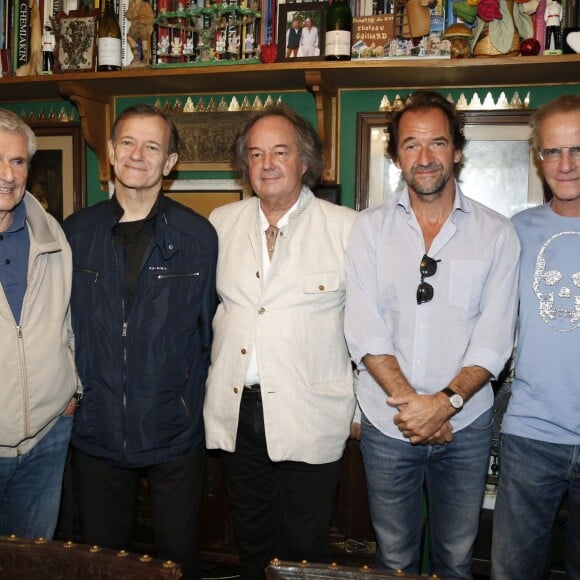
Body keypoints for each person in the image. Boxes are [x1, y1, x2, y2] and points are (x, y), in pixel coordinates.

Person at [344, 91, 520, 578]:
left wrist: (444, 404)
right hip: (388, 423)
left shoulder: (497, 233)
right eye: (411, 145)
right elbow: (363, 328)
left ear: (457, 151)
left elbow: (496, 338)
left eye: (437, 143)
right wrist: (413, 406)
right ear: (396, 155)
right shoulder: (369, 229)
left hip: (464, 428)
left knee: (457, 560)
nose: (425, 158)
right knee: (394, 558)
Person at [63, 104, 218, 580]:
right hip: (96, 430)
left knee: (177, 565)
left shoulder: (198, 236)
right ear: (109, 152)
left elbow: (210, 333)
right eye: (128, 142)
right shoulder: (75, 233)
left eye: (153, 146)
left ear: (169, 163)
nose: (138, 155)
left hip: (174, 433)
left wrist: (190, 405)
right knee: (102, 566)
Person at [204, 103, 357, 580]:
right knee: (252, 541)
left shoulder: (347, 228)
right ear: (245, 166)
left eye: (280, 152)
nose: (267, 164)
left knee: (305, 548)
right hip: (238, 414)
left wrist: (357, 412)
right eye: (255, 154)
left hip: (311, 414)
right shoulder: (220, 223)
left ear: (304, 161)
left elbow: (366, 328)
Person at [491, 94, 580, 580]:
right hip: (531, 435)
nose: (565, 165)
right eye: (553, 152)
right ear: (538, 157)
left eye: (578, 150)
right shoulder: (515, 232)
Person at [0, 108, 79, 540]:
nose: (7, 174)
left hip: (47, 441)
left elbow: (67, 321)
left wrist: (72, 392)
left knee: (32, 566)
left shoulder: (52, 234)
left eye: (17, 161)